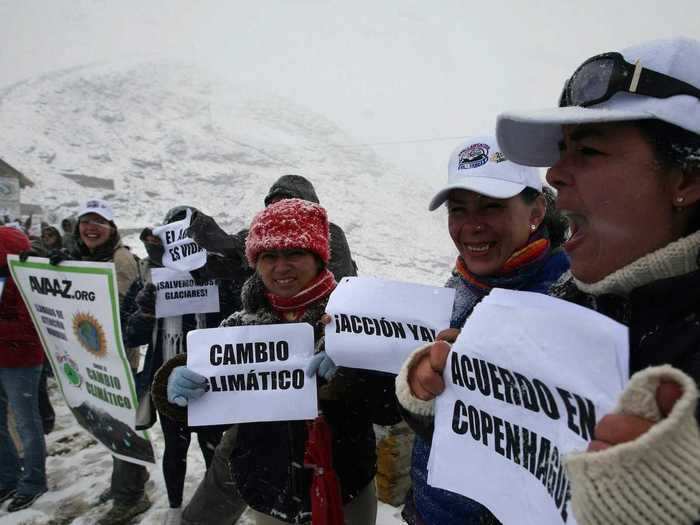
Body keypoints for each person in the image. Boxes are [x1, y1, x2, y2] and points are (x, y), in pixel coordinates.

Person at [492, 36, 700, 525]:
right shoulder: (569, 300)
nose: (554, 173)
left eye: (586, 151)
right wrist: (448, 390)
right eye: (561, 151)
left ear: (687, 180)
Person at [153, 198, 400, 524]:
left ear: (318, 258)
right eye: (268, 256)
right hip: (269, 494)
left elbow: (390, 407)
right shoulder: (239, 326)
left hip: (346, 488)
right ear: (255, 263)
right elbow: (214, 411)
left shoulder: (354, 319)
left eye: (294, 253)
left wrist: (354, 375)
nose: (281, 267)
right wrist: (174, 384)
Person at [394, 135, 569, 524]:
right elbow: (440, 422)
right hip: (430, 509)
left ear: (536, 210)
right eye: (458, 210)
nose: (471, 226)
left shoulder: (573, 297)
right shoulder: (459, 286)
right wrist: (419, 385)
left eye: (491, 206)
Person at [120, 207, 239, 525]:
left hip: (211, 378)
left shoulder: (219, 274)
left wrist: (213, 281)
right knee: (176, 447)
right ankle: (174, 509)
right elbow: (130, 334)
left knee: (214, 448)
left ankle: (219, 511)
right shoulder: (152, 278)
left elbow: (237, 321)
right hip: (165, 379)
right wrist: (146, 309)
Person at [63, 199, 151, 524]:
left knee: (118, 424)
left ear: (111, 228)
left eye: (99, 222)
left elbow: (122, 312)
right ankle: (130, 480)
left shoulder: (120, 259)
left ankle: (132, 496)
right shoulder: (87, 256)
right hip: (93, 355)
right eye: (86, 221)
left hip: (116, 359)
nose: (91, 227)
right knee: (111, 422)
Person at [187, 174, 357, 284]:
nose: (278, 210)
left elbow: (236, 245)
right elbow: (238, 260)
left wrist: (218, 238)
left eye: (286, 203)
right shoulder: (266, 237)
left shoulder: (330, 233)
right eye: (272, 206)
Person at [0, 226, 48, 512]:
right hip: (10, 357)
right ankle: (7, 477)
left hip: (21, 361)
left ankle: (33, 481)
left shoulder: (25, 279)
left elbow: (31, 324)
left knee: (25, 422)